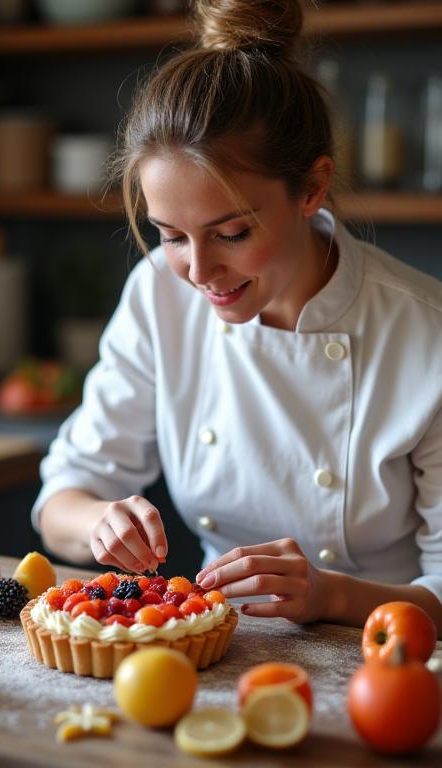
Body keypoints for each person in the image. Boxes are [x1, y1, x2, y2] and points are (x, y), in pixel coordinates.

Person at [34, 0, 442, 634]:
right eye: (170, 235)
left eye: (230, 232)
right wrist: (99, 522)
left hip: (383, 655)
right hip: (208, 642)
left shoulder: (426, 333)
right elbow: (62, 495)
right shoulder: (159, 297)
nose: (198, 272)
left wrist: (328, 595)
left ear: (311, 188)